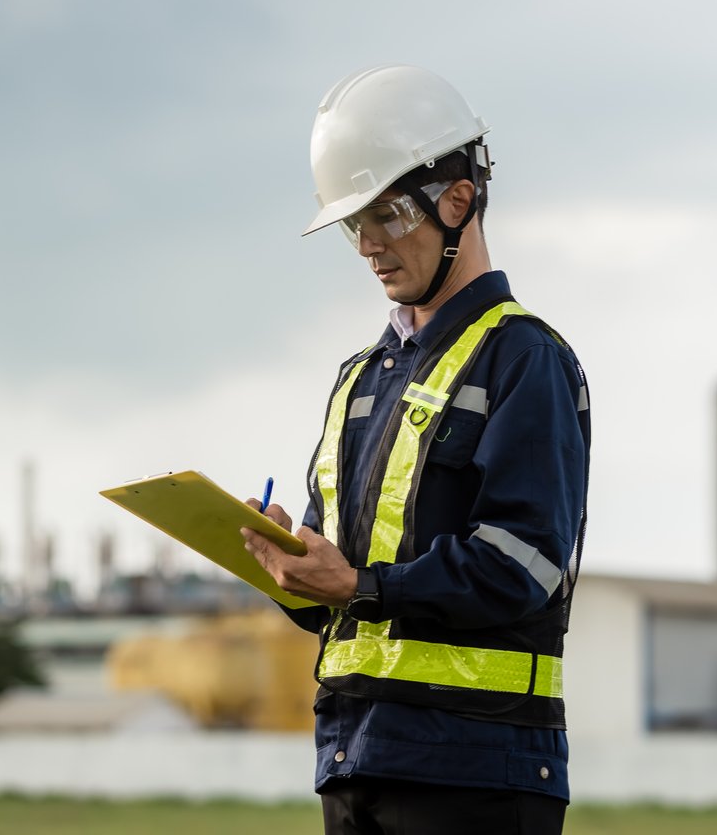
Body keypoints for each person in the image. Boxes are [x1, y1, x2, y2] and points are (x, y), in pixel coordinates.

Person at [242, 65, 590, 835]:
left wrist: (360, 584)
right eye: (351, 224)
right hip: (355, 755)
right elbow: (334, 594)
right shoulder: (360, 380)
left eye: (385, 216)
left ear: (457, 200)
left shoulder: (523, 359)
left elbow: (523, 565)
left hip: (478, 766)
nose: (366, 245)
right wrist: (284, 565)